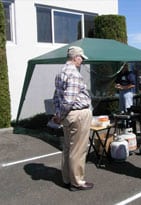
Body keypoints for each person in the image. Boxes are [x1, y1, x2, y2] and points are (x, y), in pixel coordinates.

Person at [52, 46, 93, 191]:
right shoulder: (74, 74)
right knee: (78, 150)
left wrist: (58, 115)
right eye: (81, 58)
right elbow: (69, 100)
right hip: (78, 114)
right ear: (75, 57)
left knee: (68, 148)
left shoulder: (60, 72)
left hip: (68, 116)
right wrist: (61, 115)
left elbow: (56, 97)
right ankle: (77, 182)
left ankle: (67, 178)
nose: (82, 61)